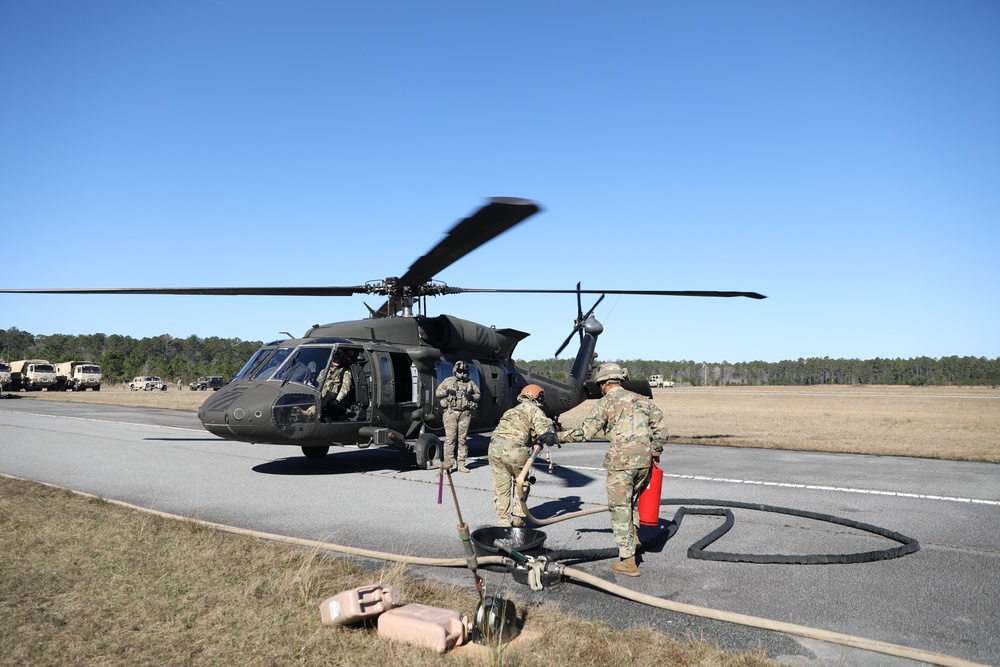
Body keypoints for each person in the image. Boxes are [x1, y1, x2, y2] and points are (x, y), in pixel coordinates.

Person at [558, 362, 666, 577]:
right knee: (631, 501)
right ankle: (633, 538)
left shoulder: (605, 403)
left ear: (602, 383)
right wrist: (655, 451)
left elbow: (585, 433)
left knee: (620, 509)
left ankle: (628, 561)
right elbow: (661, 428)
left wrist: (558, 436)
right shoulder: (642, 400)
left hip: (621, 464)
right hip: (643, 463)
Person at [488, 384, 559, 527]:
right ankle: (518, 520)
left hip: (494, 449)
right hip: (515, 451)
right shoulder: (535, 410)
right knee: (521, 483)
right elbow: (545, 434)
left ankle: (503, 524)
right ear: (538, 396)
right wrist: (553, 436)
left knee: (501, 488)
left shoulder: (511, 411)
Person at [435, 360, 480, 472]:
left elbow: (478, 394)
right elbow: (438, 392)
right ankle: (448, 465)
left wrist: (472, 397)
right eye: (460, 371)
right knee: (450, 440)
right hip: (451, 413)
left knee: (462, 440)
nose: (462, 373)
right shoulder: (448, 381)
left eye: (464, 371)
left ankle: (461, 464)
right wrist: (447, 392)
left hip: (464, 414)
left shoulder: (470, 383)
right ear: (455, 371)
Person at [320, 352, 353, 419]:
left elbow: (345, 388)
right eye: (335, 359)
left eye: (339, 359)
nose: (337, 360)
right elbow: (318, 382)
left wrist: (337, 400)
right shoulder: (324, 371)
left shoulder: (344, 372)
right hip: (321, 395)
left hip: (333, 396)